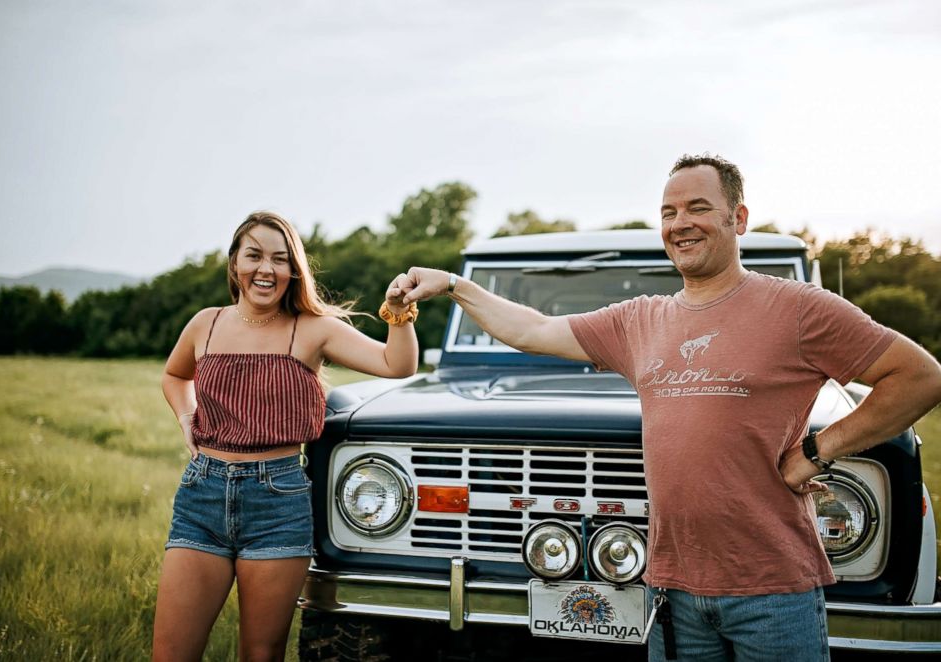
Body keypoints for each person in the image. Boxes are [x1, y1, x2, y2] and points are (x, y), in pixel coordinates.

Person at [392, 154, 941, 661]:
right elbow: (533, 329)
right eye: (669, 212)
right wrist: (454, 286)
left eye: (699, 208)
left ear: (738, 218)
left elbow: (919, 377)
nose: (681, 223)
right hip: (672, 587)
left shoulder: (798, 309)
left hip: (772, 590)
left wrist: (818, 451)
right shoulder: (640, 320)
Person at [152, 211, 419, 662]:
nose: (266, 269)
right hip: (202, 495)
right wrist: (186, 416)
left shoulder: (312, 329)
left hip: (277, 502)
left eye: (280, 259)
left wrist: (397, 310)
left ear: (293, 270)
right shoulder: (207, 324)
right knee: (171, 654)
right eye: (254, 255)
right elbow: (175, 375)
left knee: (260, 653)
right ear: (235, 263)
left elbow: (398, 364)